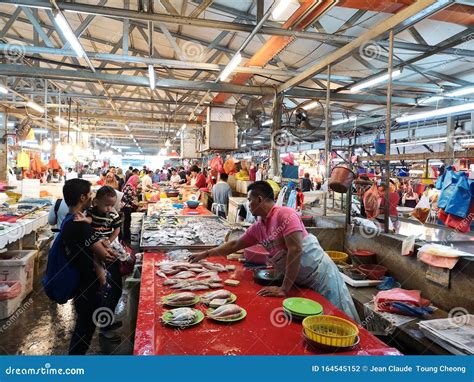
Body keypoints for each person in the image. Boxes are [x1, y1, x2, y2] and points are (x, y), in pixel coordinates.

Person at [190, 181, 359, 320]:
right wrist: (206, 254)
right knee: (311, 319)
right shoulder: (259, 227)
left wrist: (284, 288)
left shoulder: (285, 215)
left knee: (337, 317)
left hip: (320, 277)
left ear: (260, 199)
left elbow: (296, 250)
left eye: (250, 200)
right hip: (299, 281)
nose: (248, 205)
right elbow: (234, 245)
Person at [61, 179, 119, 354]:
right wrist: (111, 251)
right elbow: (105, 255)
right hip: (87, 282)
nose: (92, 196)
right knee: (84, 329)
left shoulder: (69, 220)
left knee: (84, 324)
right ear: (82, 197)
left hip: (80, 278)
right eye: (90, 193)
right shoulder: (82, 226)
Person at [76, 186, 123, 340]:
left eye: (112, 205)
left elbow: (117, 228)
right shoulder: (90, 214)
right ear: (95, 201)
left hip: (108, 249)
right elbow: (89, 220)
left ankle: (107, 322)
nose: (109, 208)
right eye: (106, 205)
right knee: (106, 290)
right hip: (97, 254)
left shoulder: (112, 214)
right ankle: (105, 327)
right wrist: (84, 220)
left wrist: (109, 241)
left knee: (116, 289)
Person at [121, 175, 140, 242]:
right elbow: (129, 198)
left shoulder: (131, 186)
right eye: (137, 181)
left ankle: (127, 236)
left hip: (128, 205)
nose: (137, 182)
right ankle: (126, 237)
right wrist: (137, 204)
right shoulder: (129, 187)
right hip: (127, 206)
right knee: (127, 221)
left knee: (128, 221)